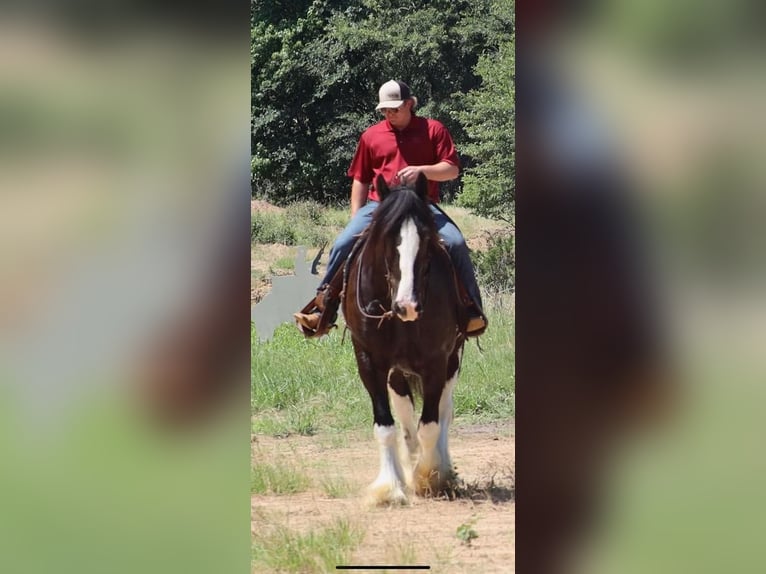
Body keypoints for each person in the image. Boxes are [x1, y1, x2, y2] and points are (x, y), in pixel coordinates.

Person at [293, 79, 487, 337]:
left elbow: (451, 170)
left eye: (394, 108)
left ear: (410, 104)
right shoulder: (371, 136)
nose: (389, 113)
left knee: (455, 242)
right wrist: (355, 218)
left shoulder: (433, 130)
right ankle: (323, 309)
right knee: (342, 243)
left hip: (421, 205)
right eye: (385, 109)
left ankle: (470, 308)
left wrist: (422, 171)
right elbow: (360, 179)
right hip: (379, 206)